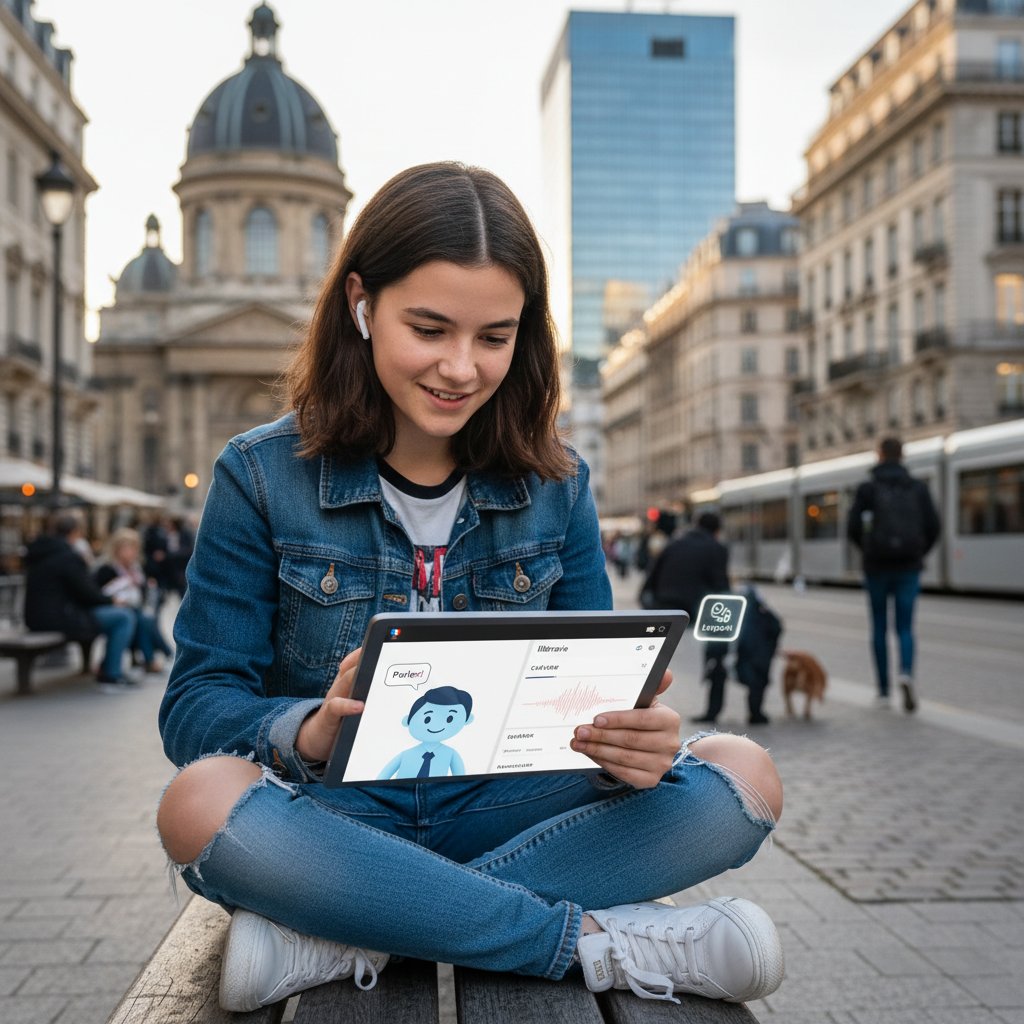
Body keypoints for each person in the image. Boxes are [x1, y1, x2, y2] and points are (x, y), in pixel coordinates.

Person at [155, 162, 785, 1013]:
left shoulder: (558, 482)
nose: (461, 367)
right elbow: (196, 706)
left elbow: (587, 697)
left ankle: (353, 927)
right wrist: (304, 728)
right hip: (340, 814)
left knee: (745, 772)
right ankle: (595, 945)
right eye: (429, 328)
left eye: (495, 337)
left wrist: (628, 749)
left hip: (504, 807)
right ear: (360, 305)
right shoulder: (260, 475)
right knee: (197, 802)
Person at [847, 436, 940, 712]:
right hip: (909, 566)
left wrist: (867, 549)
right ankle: (906, 673)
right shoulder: (917, 487)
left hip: (876, 566)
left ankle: (884, 691)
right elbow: (933, 526)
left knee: (878, 626)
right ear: (903, 455)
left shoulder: (867, 488)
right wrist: (919, 553)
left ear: (879, 455)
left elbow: (852, 527)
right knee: (905, 627)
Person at [23, 511, 139, 692]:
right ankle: (111, 674)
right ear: (76, 532)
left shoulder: (40, 551)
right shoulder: (68, 556)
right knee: (123, 617)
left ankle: (107, 669)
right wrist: (111, 600)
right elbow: (87, 593)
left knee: (120, 615)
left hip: (35, 617)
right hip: (60, 616)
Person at [641, 512, 732, 724]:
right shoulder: (717, 548)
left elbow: (651, 578)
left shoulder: (674, 544)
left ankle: (643, 705)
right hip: (698, 612)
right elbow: (721, 587)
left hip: (664, 610)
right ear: (717, 530)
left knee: (655, 664)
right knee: (716, 658)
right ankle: (712, 710)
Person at [93, 527, 173, 673]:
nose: (132, 552)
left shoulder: (136, 569)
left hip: (133, 608)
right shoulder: (106, 569)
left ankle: (158, 657)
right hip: (114, 609)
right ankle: (161, 656)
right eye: (127, 548)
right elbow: (98, 594)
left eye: (134, 548)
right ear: (116, 549)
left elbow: (143, 593)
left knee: (144, 618)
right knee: (141, 619)